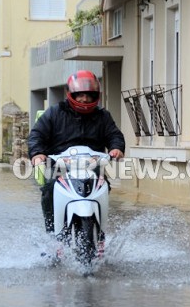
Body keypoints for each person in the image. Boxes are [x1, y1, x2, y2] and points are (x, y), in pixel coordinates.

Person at [28, 70, 125, 233]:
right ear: (70, 93)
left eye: (89, 95)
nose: (84, 99)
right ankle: (52, 235)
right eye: (80, 95)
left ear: (96, 95)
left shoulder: (103, 116)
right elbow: (37, 134)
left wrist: (117, 148)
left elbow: (114, 134)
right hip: (60, 167)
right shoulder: (54, 113)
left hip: (92, 167)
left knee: (104, 186)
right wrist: (37, 153)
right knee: (49, 189)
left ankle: (101, 233)